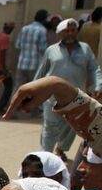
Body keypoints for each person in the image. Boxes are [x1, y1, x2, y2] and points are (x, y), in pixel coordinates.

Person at [33, 17, 102, 157]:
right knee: (50, 127)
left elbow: (94, 69)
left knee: (71, 129)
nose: (70, 33)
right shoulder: (51, 50)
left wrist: (98, 85)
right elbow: (41, 72)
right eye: (66, 31)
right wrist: (32, 91)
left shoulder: (85, 49)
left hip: (76, 99)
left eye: (73, 30)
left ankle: (61, 149)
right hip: (52, 99)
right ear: (59, 33)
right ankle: (45, 157)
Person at [13, 9, 51, 115]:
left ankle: (12, 110)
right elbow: (43, 49)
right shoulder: (42, 30)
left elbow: (18, 45)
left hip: (21, 63)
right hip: (34, 64)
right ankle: (34, 111)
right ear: (44, 19)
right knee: (35, 90)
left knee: (18, 88)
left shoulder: (24, 29)